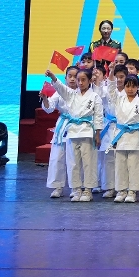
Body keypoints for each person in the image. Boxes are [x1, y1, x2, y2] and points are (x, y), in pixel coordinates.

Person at [45, 67, 104, 202]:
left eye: (83, 80)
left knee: (89, 163)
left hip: (87, 132)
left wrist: (98, 134)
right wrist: (53, 77)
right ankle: (76, 189)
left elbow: (98, 117)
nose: (80, 83)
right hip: (72, 132)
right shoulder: (71, 94)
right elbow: (61, 88)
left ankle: (88, 190)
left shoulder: (95, 97)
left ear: (89, 81)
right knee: (73, 163)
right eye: (78, 80)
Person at [108, 73, 139, 202]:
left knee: (135, 165)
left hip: (136, 136)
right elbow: (111, 90)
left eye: (133, 86)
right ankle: (121, 190)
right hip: (121, 135)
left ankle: (132, 191)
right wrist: (111, 74)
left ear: (138, 87)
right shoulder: (119, 99)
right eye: (127, 86)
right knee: (120, 165)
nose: (130, 89)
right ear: (124, 87)